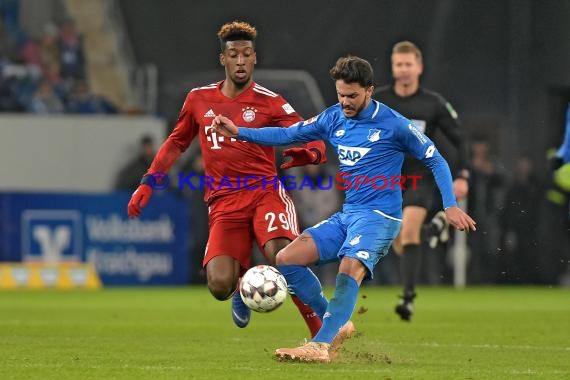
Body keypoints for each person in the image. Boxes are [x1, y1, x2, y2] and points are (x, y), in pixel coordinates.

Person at [213, 55, 476, 362]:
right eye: (341, 95)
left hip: (379, 218)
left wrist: (450, 205)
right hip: (349, 214)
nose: (346, 102)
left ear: (370, 91)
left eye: (352, 96)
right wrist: (239, 132)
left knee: (349, 268)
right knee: (287, 259)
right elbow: (289, 134)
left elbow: (436, 159)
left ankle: (320, 345)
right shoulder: (334, 117)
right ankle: (337, 323)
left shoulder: (394, 124)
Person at [126, 21, 327, 337]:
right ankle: (240, 289)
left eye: (246, 54)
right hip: (223, 201)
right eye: (233, 54)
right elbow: (177, 142)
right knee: (218, 284)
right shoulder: (198, 100)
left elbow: (309, 132)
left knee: (283, 254)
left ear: (254, 58)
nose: (240, 61)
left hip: (265, 193)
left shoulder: (271, 101)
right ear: (223, 60)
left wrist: (312, 154)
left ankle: (321, 332)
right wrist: (148, 182)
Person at [374, 41, 470, 321]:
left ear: (419, 67)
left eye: (408, 64)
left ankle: (407, 299)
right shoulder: (379, 102)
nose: (403, 70)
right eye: (398, 65)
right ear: (393, 68)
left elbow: (460, 139)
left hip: (420, 178)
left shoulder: (433, 103)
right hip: (387, 180)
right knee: (399, 240)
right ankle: (434, 229)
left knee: (409, 231)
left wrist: (462, 175)